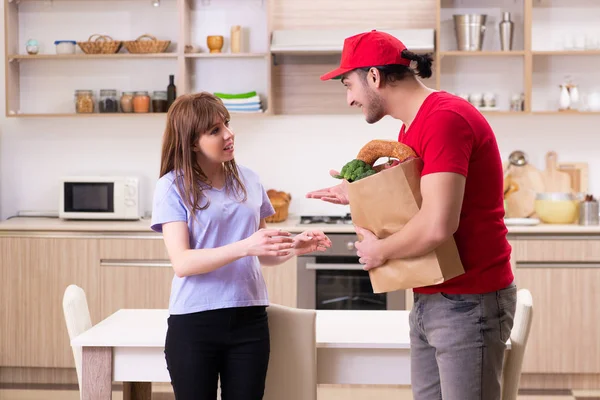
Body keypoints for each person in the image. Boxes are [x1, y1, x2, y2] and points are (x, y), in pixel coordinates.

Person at [306, 30, 517, 400]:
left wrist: (380, 252)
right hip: (433, 297)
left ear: (374, 76)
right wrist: (357, 192)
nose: (350, 99)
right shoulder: (413, 126)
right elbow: (415, 201)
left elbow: (438, 224)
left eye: (348, 85)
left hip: (469, 299)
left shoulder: (444, 119)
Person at [151, 92, 331, 400]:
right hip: (195, 321)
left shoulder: (249, 179)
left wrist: (295, 246)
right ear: (192, 142)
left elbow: (261, 254)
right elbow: (182, 262)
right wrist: (246, 246)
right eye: (215, 130)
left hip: (249, 319)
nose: (229, 134)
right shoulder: (172, 186)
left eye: (227, 124)